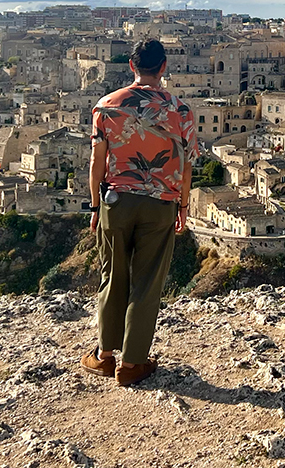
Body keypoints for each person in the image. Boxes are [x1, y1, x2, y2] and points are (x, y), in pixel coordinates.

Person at [80, 38, 197, 386]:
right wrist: (184, 206)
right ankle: (132, 364)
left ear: (132, 66)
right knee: (147, 285)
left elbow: (96, 163)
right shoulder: (182, 111)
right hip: (161, 204)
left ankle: (104, 356)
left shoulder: (106, 106)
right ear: (164, 67)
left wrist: (95, 205)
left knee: (112, 276)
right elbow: (187, 167)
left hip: (116, 202)